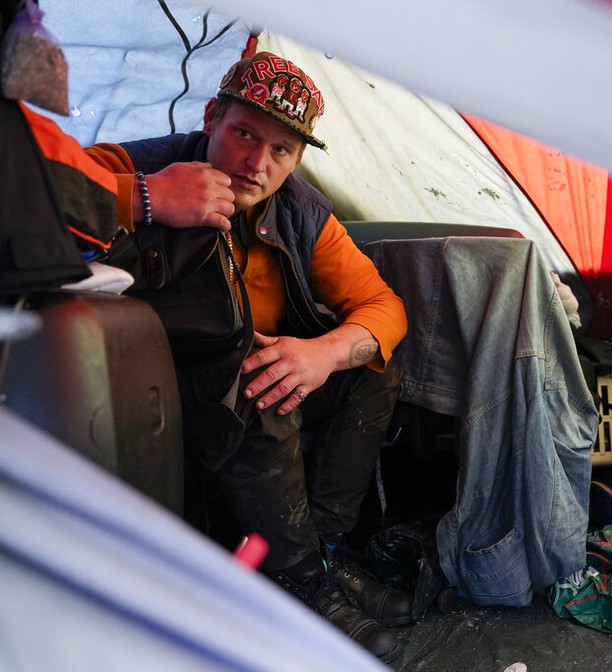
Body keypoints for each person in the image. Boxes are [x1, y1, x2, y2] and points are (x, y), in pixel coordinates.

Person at [86, 51, 410, 663]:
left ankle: (325, 553)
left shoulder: (301, 212)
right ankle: (301, 587)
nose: (257, 163)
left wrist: (324, 352)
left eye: (282, 150)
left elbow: (383, 306)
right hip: (159, 389)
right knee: (254, 379)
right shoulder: (142, 164)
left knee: (371, 365)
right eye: (243, 134)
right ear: (211, 117)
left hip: (246, 387)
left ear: (298, 160)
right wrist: (147, 197)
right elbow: (34, 196)